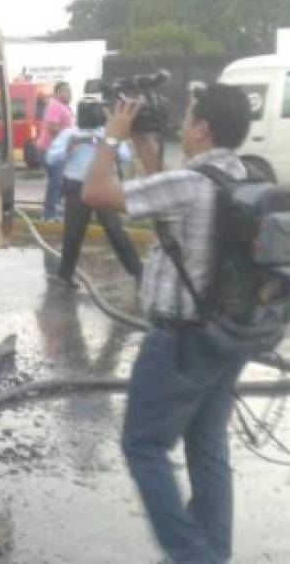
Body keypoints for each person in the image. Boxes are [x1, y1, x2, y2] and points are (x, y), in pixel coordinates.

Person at [81, 84, 253, 564]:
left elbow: (95, 191)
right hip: (228, 334)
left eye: (190, 115)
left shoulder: (192, 185)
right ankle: (213, 553)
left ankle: (191, 556)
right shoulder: (237, 175)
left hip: (181, 339)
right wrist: (145, 149)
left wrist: (111, 137)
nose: (183, 122)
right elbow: (168, 209)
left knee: (143, 445)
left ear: (202, 128)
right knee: (207, 444)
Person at [45, 122, 142, 287]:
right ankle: (65, 275)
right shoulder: (71, 133)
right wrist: (72, 144)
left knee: (115, 230)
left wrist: (108, 142)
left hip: (103, 187)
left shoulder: (109, 132)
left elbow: (125, 157)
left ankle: (139, 273)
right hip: (76, 187)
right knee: (73, 233)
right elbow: (51, 158)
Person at [38, 81, 74, 221]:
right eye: (66, 91)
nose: (69, 94)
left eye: (70, 91)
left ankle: (54, 209)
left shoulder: (65, 107)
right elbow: (52, 127)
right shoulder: (55, 106)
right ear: (57, 92)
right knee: (56, 182)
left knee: (62, 181)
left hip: (60, 150)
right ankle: (49, 214)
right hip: (50, 150)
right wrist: (69, 136)